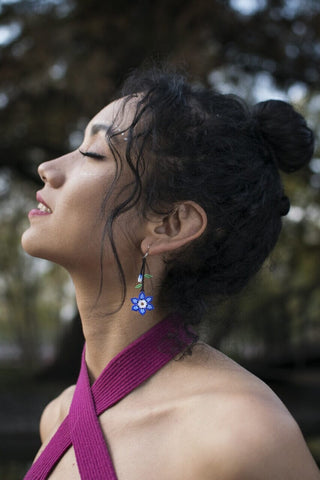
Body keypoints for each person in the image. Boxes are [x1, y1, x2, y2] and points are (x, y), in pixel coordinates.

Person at [22, 67, 320, 479]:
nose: (48, 168)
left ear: (171, 225)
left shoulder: (242, 434)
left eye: (93, 153)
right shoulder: (56, 416)